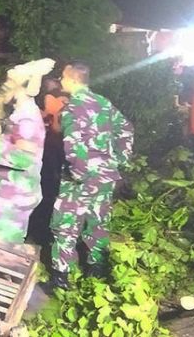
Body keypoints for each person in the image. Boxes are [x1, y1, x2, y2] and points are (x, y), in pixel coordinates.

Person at [47, 61, 134, 290]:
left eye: (63, 77)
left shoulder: (72, 108)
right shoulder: (103, 102)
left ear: (74, 80)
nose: (60, 80)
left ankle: (61, 279)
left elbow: (73, 145)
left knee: (65, 225)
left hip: (80, 180)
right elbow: (125, 128)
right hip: (105, 177)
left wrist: (78, 172)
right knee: (98, 223)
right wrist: (117, 160)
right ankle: (96, 274)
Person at [0, 58, 55, 246]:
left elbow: (25, 159)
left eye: (8, 84)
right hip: (10, 194)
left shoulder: (27, 120)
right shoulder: (18, 115)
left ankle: (6, 275)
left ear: (19, 88)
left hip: (14, 197)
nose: (3, 88)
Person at [29, 76, 69, 246]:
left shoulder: (53, 103)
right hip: (46, 155)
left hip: (51, 154)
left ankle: (40, 232)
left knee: (47, 195)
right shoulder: (43, 108)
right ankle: (39, 232)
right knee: (46, 195)